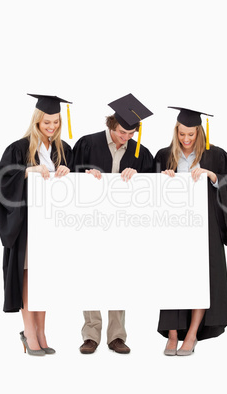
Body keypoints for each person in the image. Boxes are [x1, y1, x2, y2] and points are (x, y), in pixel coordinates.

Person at [154, 106, 227, 356]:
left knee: (201, 277)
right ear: (176, 131)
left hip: (206, 228)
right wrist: (163, 178)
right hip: (172, 229)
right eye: (182, 134)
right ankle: (172, 335)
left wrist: (212, 175)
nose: (186, 139)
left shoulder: (215, 155)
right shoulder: (164, 155)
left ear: (199, 131)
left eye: (191, 134)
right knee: (172, 279)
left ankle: (191, 334)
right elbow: (146, 189)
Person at [73, 93, 153, 354]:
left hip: (123, 226)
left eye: (131, 134)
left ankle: (116, 336)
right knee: (90, 276)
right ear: (111, 124)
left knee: (119, 276)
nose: (125, 138)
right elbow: (68, 180)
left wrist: (139, 176)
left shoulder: (140, 152)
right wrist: (84, 176)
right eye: (121, 132)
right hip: (90, 223)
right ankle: (91, 334)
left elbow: (153, 188)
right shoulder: (87, 144)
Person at [0, 94, 73, 356]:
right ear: (37, 121)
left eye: (55, 122)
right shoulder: (18, 148)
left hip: (54, 228)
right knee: (29, 276)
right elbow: (3, 180)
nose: (51, 127)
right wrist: (28, 171)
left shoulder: (64, 150)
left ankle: (41, 331)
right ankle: (29, 333)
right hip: (27, 226)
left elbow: (74, 188)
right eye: (46, 122)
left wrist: (66, 171)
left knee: (46, 279)